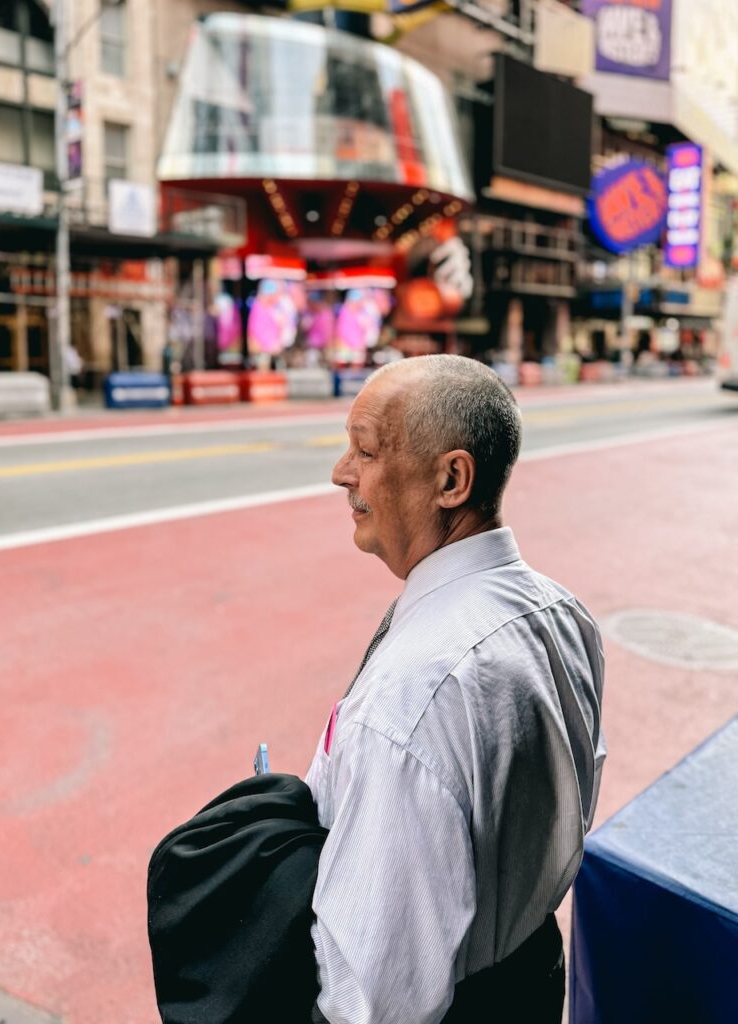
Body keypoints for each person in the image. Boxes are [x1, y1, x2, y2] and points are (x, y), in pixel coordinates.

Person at [306, 355, 605, 1024]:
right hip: (531, 969)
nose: (341, 473)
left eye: (366, 451)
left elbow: (373, 999)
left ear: (451, 480)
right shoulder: (563, 613)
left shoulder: (409, 701)